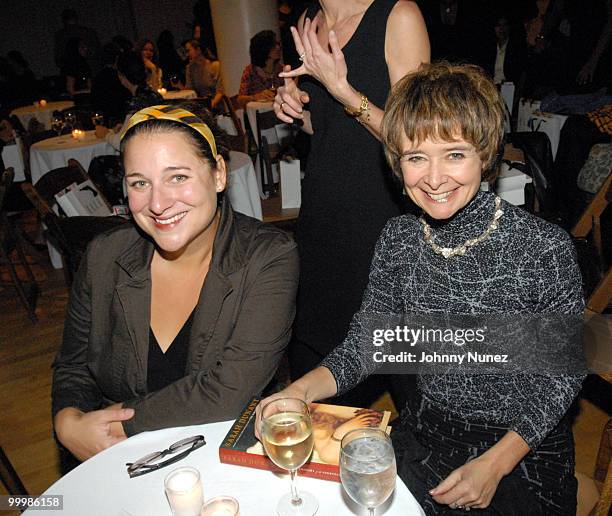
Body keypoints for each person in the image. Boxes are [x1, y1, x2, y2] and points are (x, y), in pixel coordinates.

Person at [260, 62, 585, 513]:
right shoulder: (399, 238)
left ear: (485, 154)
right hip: (429, 435)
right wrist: (299, 391)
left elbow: (561, 375)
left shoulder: (541, 247)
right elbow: (370, 344)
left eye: (454, 154)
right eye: (416, 157)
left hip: (522, 448)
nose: (433, 178)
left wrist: (495, 463)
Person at [52, 103, 299, 464]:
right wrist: (67, 420)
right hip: (118, 459)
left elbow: (229, 390)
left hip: (224, 453)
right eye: (140, 183)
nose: (157, 203)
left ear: (218, 174)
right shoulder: (104, 256)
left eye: (178, 177)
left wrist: (114, 426)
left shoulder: (268, 257)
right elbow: (73, 366)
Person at [273, 0, 429, 407]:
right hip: (324, 216)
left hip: (386, 222)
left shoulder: (398, 17)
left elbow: (416, 143)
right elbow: (325, 126)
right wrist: (295, 108)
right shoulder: (309, 21)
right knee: (318, 372)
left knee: (410, 380)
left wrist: (341, 89)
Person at [94, 51, 163, 150]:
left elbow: (121, 143)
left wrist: (106, 134)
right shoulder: (154, 95)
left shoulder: (138, 102)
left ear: (121, 76)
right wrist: (124, 127)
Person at [237, 30, 283, 106]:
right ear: (263, 49)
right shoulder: (251, 71)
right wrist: (255, 97)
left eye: (278, 44)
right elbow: (240, 100)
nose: (278, 47)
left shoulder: (282, 70)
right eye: (273, 45)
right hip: (257, 115)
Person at [183, 39, 224, 108]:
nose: (187, 54)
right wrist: (178, 85)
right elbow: (189, 90)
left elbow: (220, 91)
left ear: (198, 50)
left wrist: (212, 103)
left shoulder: (214, 65)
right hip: (200, 104)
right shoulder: (190, 68)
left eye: (189, 51)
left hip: (215, 104)